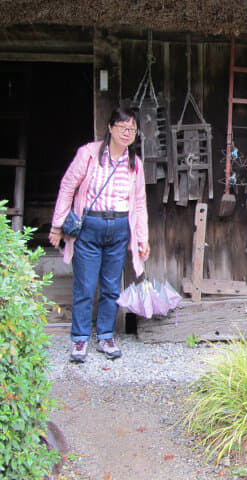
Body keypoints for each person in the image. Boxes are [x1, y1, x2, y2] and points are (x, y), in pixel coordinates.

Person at [49, 107, 150, 363]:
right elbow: (68, 186)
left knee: (110, 287)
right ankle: (80, 339)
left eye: (132, 129)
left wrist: (142, 238)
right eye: (123, 128)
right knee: (84, 285)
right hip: (90, 227)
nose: (127, 133)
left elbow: (139, 203)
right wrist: (57, 225)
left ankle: (106, 336)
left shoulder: (134, 163)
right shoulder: (89, 154)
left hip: (118, 229)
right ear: (110, 127)